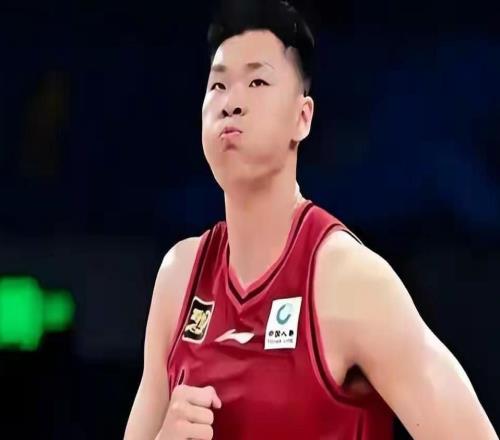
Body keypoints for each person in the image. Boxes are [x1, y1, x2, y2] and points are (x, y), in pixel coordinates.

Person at [124, 1, 497, 439]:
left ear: (302, 118)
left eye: (257, 81)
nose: (231, 103)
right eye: (218, 85)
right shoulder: (179, 279)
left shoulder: (350, 281)